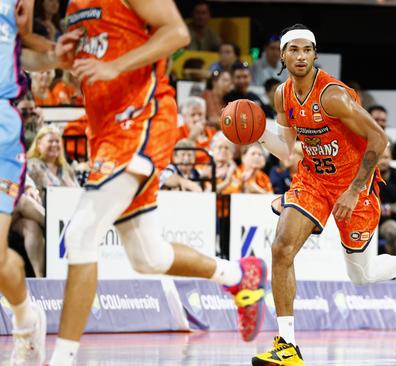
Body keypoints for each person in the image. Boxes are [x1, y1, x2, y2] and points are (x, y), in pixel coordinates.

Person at [47, 2, 266, 365]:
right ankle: (239, 274)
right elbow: (101, 53)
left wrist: (114, 66)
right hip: (104, 129)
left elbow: (177, 33)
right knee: (149, 257)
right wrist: (70, 61)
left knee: (81, 234)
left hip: (141, 116)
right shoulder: (75, 5)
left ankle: (62, 359)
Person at [251, 24, 396, 365]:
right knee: (281, 248)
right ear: (282, 55)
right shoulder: (281, 95)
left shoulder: (332, 96)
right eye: (293, 50)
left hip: (355, 183)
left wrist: (355, 191)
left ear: (314, 54)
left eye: (306, 50)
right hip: (313, 180)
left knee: (362, 275)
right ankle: (287, 346)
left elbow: (379, 140)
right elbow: (286, 150)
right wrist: (257, 133)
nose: (300, 56)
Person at [0, 0, 68, 363]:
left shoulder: (15, 6)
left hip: (2, 135)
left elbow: (27, 52)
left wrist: (60, 54)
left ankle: (26, 319)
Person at [27, 125, 79, 203]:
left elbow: (78, 191)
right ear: (39, 144)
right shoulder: (31, 165)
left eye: (57, 141)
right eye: (50, 141)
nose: (54, 145)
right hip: (42, 211)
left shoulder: (66, 168)